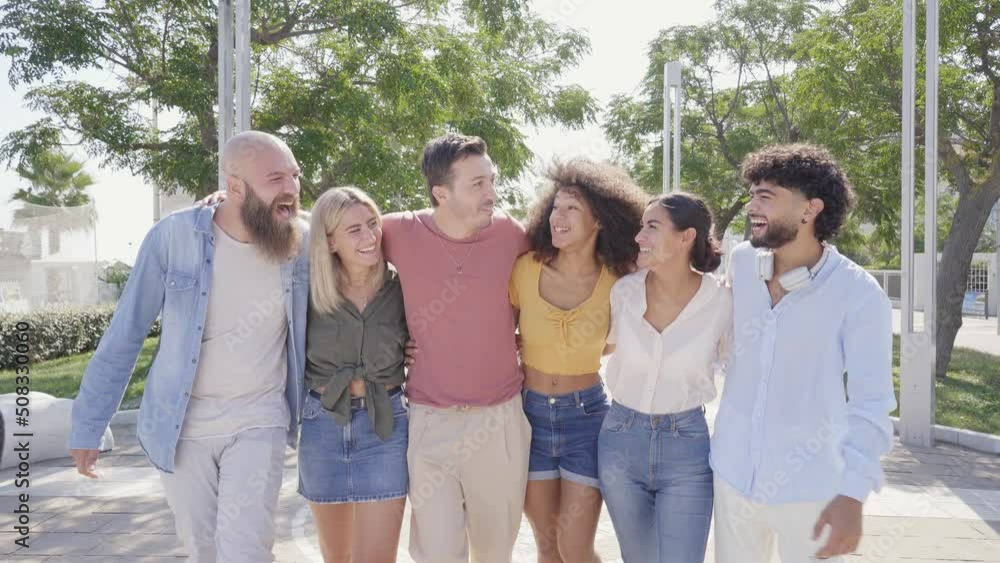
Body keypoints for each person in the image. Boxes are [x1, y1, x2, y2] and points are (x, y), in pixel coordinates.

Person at [69, 130, 309, 562]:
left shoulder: (301, 242)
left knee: (245, 549)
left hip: (261, 418)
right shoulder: (172, 238)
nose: (291, 188)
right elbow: (126, 332)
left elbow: (364, 238)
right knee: (202, 549)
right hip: (181, 424)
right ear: (235, 186)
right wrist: (88, 423)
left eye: (294, 175)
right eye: (275, 178)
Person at [711, 144, 896, 563]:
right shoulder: (742, 262)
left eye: (767, 196)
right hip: (733, 474)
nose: (752, 206)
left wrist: (852, 495)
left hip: (812, 489)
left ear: (810, 209)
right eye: (752, 194)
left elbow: (871, 405)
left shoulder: (859, 294)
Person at [383, 133, 532, 563]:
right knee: (438, 554)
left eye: (491, 181)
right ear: (441, 193)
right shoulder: (397, 230)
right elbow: (330, 227)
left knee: (494, 554)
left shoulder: (510, 234)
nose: (492, 194)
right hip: (430, 423)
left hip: (499, 420)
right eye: (478, 185)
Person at [509, 158, 645, 563]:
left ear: (599, 220)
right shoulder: (523, 269)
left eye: (572, 209)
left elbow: (613, 345)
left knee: (575, 548)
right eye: (555, 207)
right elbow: (492, 331)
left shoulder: (619, 282)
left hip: (586, 416)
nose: (558, 216)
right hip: (529, 415)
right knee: (547, 548)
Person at [598, 192, 731, 563]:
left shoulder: (722, 301)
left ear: (687, 237)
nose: (640, 236)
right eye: (642, 227)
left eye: (652, 227)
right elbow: (598, 347)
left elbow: (743, 368)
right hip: (620, 441)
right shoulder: (623, 292)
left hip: (686, 447)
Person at [298, 187, 410, 562]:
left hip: (386, 427)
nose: (370, 237)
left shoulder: (402, 285)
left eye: (372, 224)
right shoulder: (307, 289)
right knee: (337, 558)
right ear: (330, 242)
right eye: (354, 230)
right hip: (323, 425)